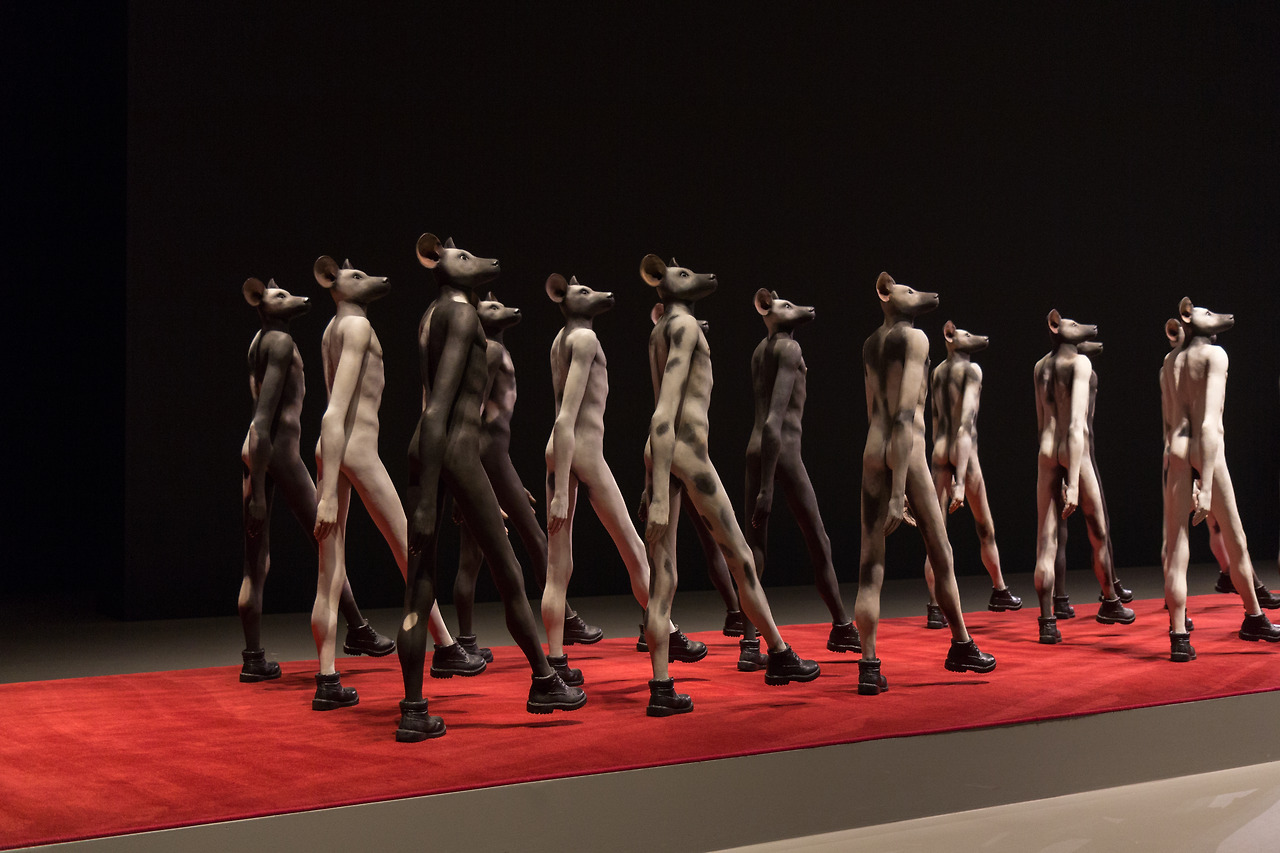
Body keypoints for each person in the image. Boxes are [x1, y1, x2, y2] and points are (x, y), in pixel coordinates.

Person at [855, 273, 994, 695]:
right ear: (886, 295)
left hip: (872, 448)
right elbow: (903, 415)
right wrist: (899, 492)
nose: (919, 296)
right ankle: (961, 644)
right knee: (941, 551)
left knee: (870, 565)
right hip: (908, 450)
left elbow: (875, 410)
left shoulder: (870, 344)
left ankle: (868, 664)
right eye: (908, 291)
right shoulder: (915, 339)